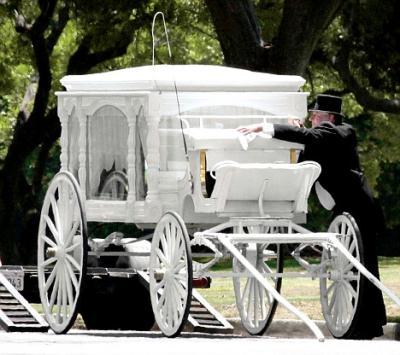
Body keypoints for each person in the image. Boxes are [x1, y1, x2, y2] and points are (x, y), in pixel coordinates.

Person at [238, 94, 386, 339]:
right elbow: (306, 157)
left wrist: (264, 127)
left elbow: (310, 136)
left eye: (316, 115)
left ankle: (365, 325)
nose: (312, 118)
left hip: (358, 208)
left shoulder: (341, 131)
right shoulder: (325, 137)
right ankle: (361, 324)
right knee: (355, 268)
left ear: (329, 117)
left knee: (363, 267)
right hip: (346, 208)